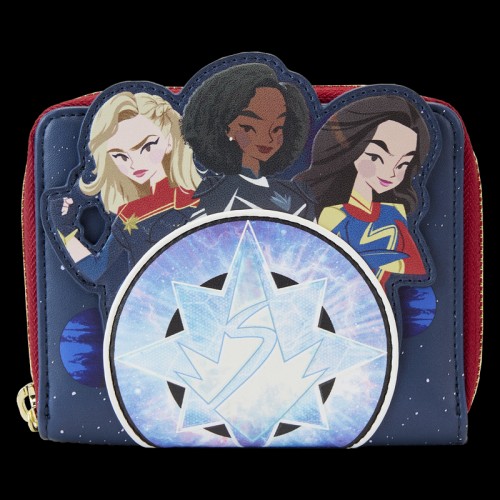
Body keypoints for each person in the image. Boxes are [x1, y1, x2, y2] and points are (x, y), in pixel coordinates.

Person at [49, 92, 201, 309]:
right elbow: (97, 270)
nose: (134, 163)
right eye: (120, 156)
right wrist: (64, 229)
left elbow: (95, 270)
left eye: (147, 146)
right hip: (159, 315)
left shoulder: (194, 198)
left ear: (169, 141)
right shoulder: (133, 213)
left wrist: (65, 229)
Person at [296, 95, 430, 288]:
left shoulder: (393, 213)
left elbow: (415, 274)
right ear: (351, 151)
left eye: (402, 164)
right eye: (376, 157)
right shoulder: (333, 215)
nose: (391, 173)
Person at [181, 63, 316, 220]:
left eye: (277, 128)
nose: (268, 139)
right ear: (225, 127)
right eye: (249, 127)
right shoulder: (213, 193)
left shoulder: (298, 196)